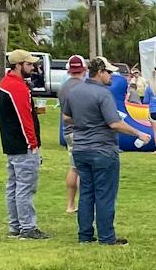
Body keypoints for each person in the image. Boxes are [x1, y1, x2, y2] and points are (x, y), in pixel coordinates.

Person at [60, 56, 147, 245]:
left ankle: (84, 235)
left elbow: (66, 117)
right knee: (105, 194)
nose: (111, 76)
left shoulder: (74, 91)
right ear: (99, 72)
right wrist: (138, 133)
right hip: (102, 150)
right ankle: (107, 237)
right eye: (108, 72)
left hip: (80, 148)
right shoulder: (103, 94)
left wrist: (85, 122)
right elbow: (114, 123)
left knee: (86, 194)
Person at [0, 50, 48, 240]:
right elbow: (23, 117)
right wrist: (32, 143)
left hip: (12, 144)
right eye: (29, 64)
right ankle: (27, 227)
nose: (32, 67)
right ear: (18, 65)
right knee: (25, 187)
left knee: (13, 186)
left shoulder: (7, 83)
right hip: (23, 145)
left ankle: (16, 226)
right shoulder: (16, 87)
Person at [60, 55, 86, 213]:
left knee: (73, 167)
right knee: (84, 169)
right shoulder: (83, 88)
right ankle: (84, 204)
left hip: (67, 131)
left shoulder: (63, 87)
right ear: (84, 69)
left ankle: (70, 204)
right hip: (81, 132)